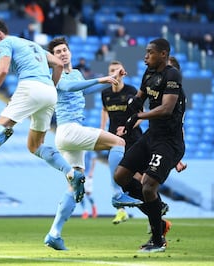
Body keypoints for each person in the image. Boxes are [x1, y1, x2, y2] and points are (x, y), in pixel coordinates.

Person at [0, 19, 85, 204]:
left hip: (30, 86)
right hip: (49, 94)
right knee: (35, 146)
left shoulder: (5, 43)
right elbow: (58, 65)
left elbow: (3, 70)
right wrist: (51, 88)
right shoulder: (33, 45)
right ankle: (71, 173)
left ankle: (5, 130)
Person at [43, 37, 143, 251]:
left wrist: (112, 79)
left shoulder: (77, 73)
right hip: (69, 130)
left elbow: (84, 89)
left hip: (70, 136)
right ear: (53, 57)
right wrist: (101, 79)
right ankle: (117, 194)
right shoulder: (55, 74)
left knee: (74, 186)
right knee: (118, 142)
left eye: (64, 50)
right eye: (58, 51)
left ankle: (54, 233)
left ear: (70, 52)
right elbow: (70, 88)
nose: (62, 54)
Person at [113, 38, 186, 253]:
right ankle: (157, 210)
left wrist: (139, 115)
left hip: (168, 142)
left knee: (148, 187)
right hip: (151, 136)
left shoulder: (172, 75)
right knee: (121, 176)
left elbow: (166, 109)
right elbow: (139, 98)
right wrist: (129, 109)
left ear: (163, 54)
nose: (145, 56)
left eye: (150, 52)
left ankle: (158, 240)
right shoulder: (149, 74)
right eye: (145, 52)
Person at [101, 60, 143, 224]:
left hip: (133, 139)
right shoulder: (105, 93)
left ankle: (153, 210)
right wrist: (102, 128)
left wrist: (127, 127)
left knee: (140, 178)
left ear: (123, 72)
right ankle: (121, 210)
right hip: (114, 140)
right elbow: (104, 110)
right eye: (111, 70)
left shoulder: (131, 91)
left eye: (117, 70)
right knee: (117, 174)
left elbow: (141, 115)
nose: (114, 73)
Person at [80, 151, 98, 219]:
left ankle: (93, 207)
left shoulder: (88, 148)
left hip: (87, 175)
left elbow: (94, 159)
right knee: (80, 194)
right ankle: (85, 211)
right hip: (79, 175)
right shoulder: (77, 147)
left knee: (88, 194)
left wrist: (91, 172)